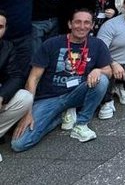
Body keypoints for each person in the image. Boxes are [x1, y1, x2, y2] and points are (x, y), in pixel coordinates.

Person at [11, 9, 111, 151]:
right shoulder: (51, 44)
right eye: (77, 22)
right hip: (49, 98)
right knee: (19, 144)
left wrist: (98, 70)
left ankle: (81, 124)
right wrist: (27, 113)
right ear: (70, 24)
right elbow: (33, 78)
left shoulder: (97, 44)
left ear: (92, 25)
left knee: (102, 80)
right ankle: (59, 115)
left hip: (77, 93)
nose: (82, 26)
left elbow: (109, 71)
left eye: (86, 22)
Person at [0, 11, 34, 162]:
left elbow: (16, 76)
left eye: (0, 26)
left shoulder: (7, 47)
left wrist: (2, 95)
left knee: (25, 97)